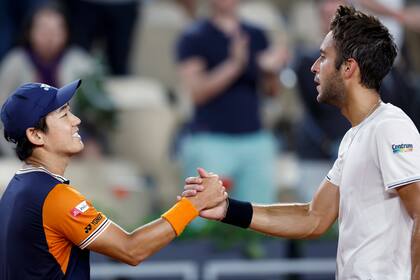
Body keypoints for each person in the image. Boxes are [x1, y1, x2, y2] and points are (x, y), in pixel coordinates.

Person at [183, 5, 420, 279]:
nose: (314, 67)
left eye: (323, 57)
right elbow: (314, 218)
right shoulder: (357, 134)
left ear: (348, 68)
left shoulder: (389, 127)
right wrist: (227, 209)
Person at [0, 80, 227, 279]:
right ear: (36, 135)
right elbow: (131, 249)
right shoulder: (54, 197)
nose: (76, 120)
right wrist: (193, 205)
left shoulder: (16, 189)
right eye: (64, 114)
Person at [175, 0, 286, 204]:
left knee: (258, 217)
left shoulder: (256, 34)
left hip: (255, 138)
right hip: (210, 139)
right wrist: (235, 65)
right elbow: (197, 93)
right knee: (203, 217)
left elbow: (272, 93)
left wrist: (272, 72)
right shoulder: (194, 36)